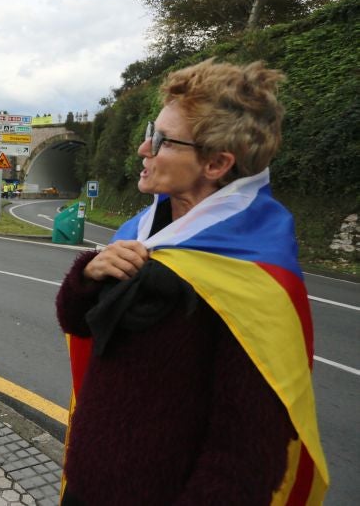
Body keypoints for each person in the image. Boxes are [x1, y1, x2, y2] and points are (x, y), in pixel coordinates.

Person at [55, 59, 327, 505]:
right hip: (89, 484)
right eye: (150, 131)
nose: (144, 149)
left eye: (161, 140)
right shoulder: (142, 229)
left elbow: (246, 455)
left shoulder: (255, 277)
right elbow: (79, 323)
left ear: (217, 163)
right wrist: (87, 275)